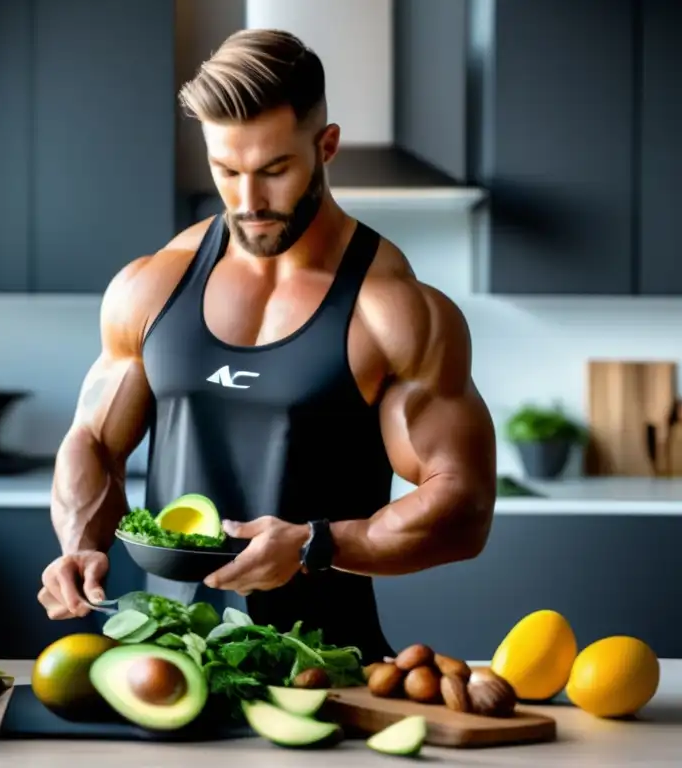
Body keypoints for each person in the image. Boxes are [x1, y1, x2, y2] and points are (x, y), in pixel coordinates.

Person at [37, 28, 497, 662]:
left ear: (326, 146)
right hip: (164, 661)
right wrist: (79, 543)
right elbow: (92, 439)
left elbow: (463, 505)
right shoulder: (153, 286)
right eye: (226, 171)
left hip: (326, 668)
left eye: (274, 170)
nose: (248, 202)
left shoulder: (391, 309)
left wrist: (317, 545)